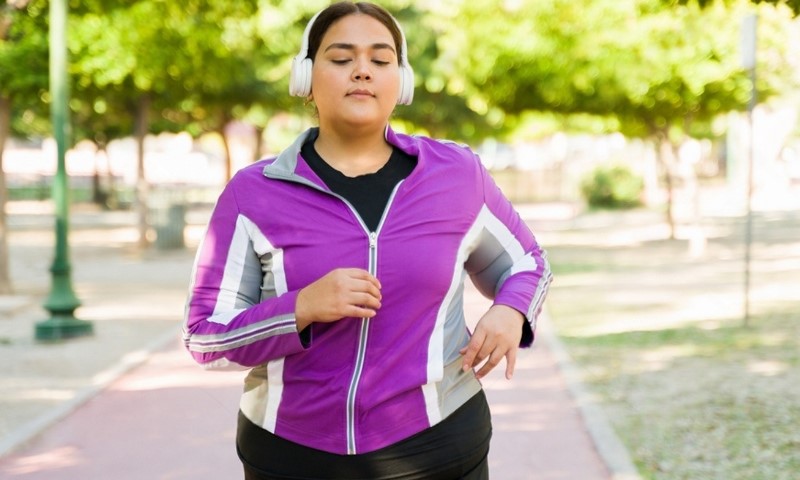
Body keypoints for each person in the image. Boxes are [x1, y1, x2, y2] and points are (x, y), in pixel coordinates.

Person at [183, 2, 552, 479]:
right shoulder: (253, 193)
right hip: (290, 454)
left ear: (402, 80)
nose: (362, 72)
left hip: (438, 445)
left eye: (380, 60)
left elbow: (527, 263)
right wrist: (301, 307)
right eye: (341, 59)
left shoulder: (457, 176)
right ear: (306, 78)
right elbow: (204, 335)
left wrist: (512, 310)